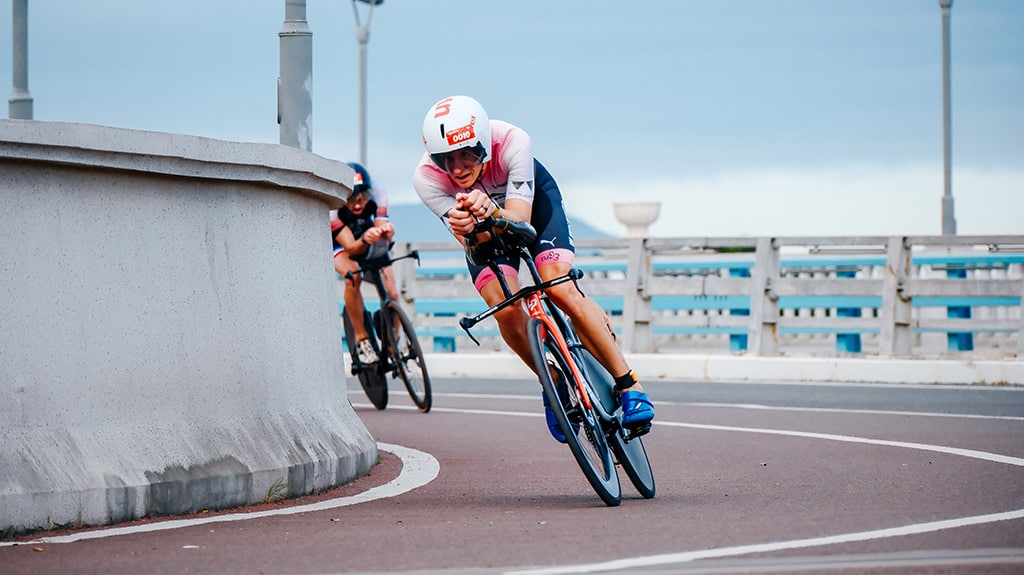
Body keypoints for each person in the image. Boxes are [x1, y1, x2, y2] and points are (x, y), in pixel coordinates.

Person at [413, 95, 654, 441]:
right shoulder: (425, 178)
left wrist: (490, 212)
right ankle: (552, 380)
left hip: (532, 208)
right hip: (486, 232)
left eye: (466, 153)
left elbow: (521, 222)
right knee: (505, 309)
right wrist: (468, 229)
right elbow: (471, 245)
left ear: (484, 142)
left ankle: (630, 386)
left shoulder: (513, 140)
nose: (457, 169)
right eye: (445, 159)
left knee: (558, 288)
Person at [332, 162, 398, 365]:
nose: (358, 204)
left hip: (365, 234)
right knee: (354, 277)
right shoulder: (333, 207)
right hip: (340, 243)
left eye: (361, 198)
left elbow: (381, 233)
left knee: (393, 293)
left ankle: (396, 343)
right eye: (351, 200)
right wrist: (365, 240)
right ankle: (362, 340)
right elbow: (351, 247)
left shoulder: (378, 192)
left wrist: (385, 234)